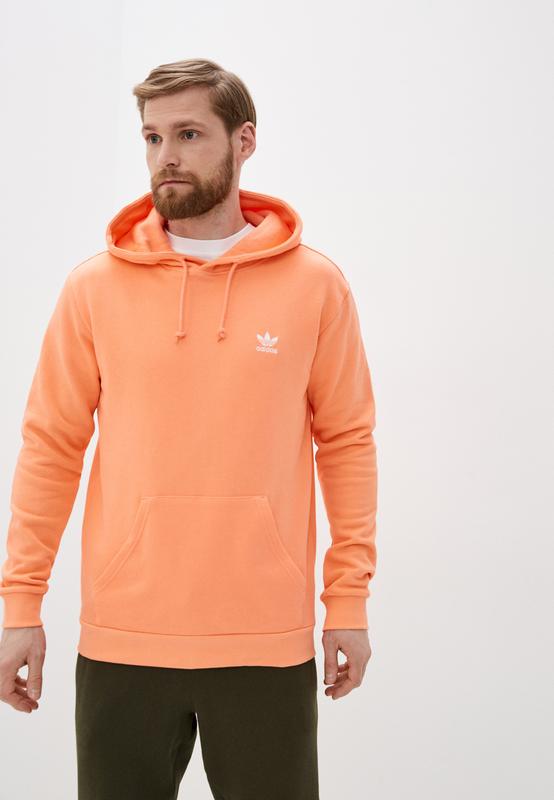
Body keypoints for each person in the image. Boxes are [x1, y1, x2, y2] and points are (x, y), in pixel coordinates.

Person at [0, 58, 378, 799]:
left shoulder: (315, 286)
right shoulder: (93, 289)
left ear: (244, 141)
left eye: (189, 134)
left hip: (265, 640)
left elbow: (348, 444)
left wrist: (348, 602)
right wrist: (20, 605)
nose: (165, 155)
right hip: (124, 637)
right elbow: (51, 447)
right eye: (152, 137)